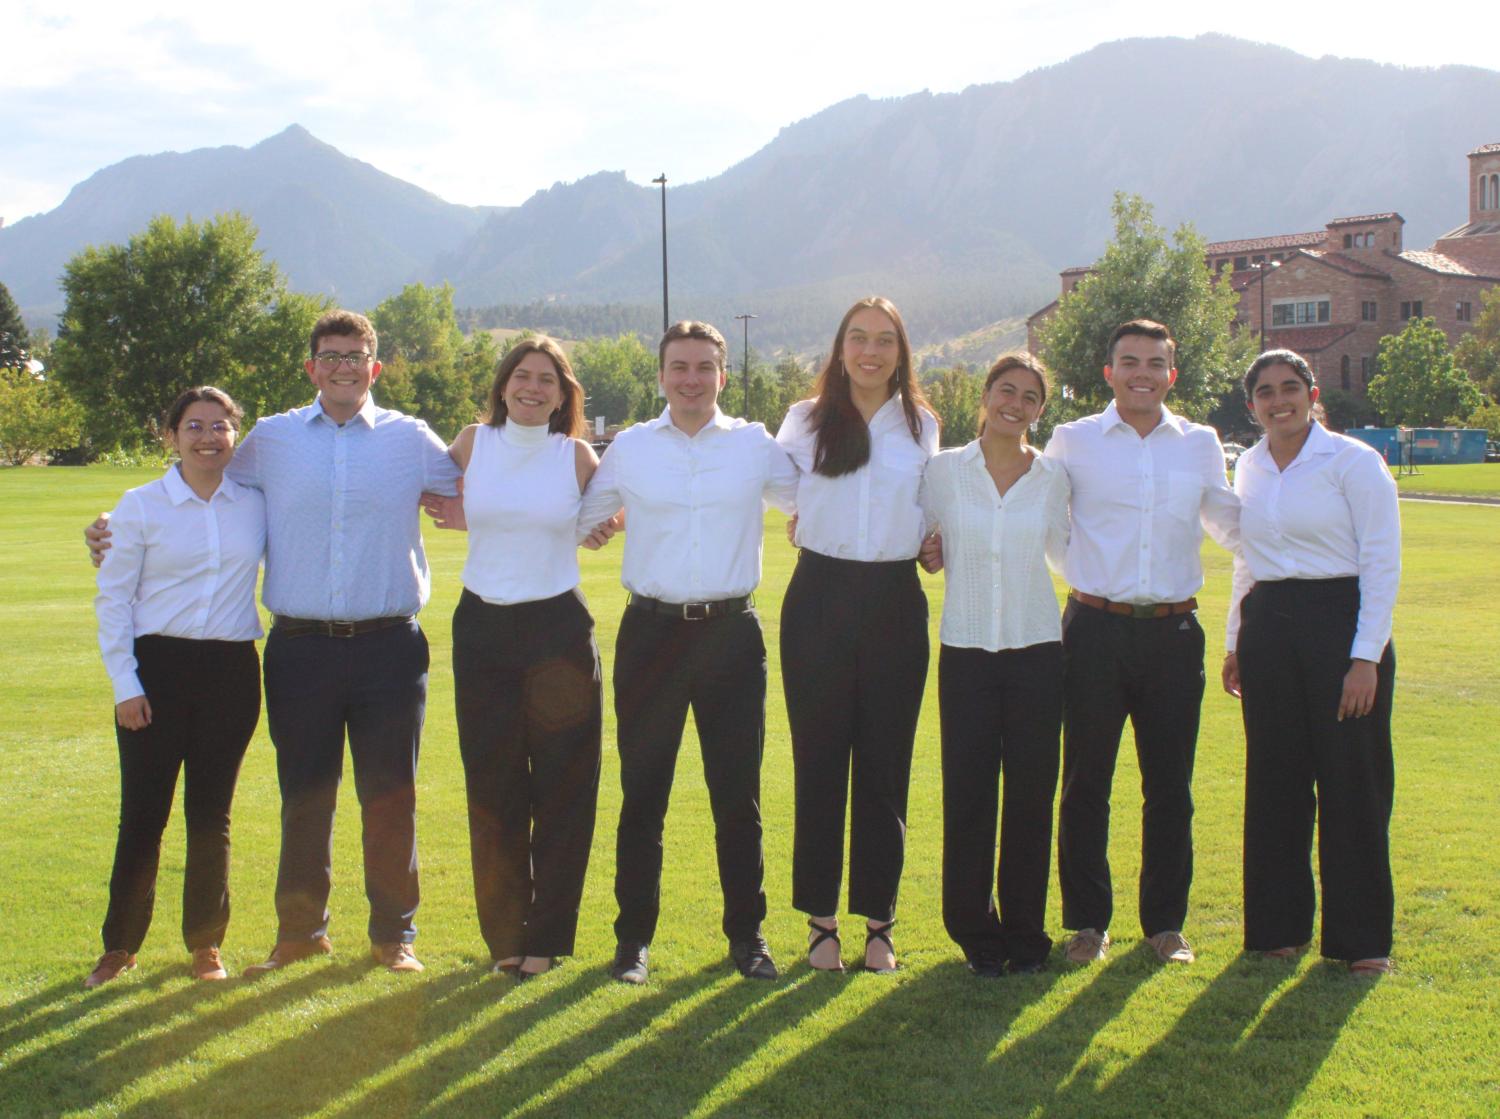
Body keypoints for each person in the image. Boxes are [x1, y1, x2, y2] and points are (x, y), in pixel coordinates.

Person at [88, 310, 462, 976]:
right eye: (331, 356)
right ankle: (300, 933)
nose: (343, 367)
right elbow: (200, 482)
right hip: (301, 648)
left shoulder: (411, 439)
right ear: (311, 367)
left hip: (389, 647)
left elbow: (476, 484)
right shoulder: (271, 439)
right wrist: (111, 528)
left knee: (390, 796)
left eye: (356, 356)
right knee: (305, 797)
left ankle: (393, 935)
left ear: (374, 367)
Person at [576, 320, 799, 986]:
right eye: (679, 366)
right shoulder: (631, 448)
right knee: (643, 795)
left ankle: (748, 937)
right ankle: (632, 942)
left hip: (732, 637)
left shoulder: (755, 445)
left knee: (738, 797)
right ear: (662, 376)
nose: (691, 379)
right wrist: (593, 526)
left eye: (704, 367)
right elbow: (581, 518)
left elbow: (816, 501)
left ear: (722, 376)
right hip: (652, 636)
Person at [1044, 319, 1238, 965]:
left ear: (1171, 374)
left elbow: (1230, 524)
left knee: (1170, 788)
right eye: (1129, 361)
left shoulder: (1200, 444)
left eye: (1155, 363)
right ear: (1109, 372)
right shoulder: (1073, 440)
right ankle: (1087, 923)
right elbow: (1044, 519)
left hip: (1174, 636)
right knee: (1085, 784)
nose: (1142, 374)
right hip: (1093, 631)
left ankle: (1165, 925)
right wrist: (1081, 573)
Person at [1221, 349, 1399, 977]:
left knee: (1353, 782)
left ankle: (1361, 941)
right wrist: (1235, 641)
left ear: (1312, 393)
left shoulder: (1354, 461)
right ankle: (1278, 930)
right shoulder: (1249, 465)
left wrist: (1365, 658)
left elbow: (1381, 562)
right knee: (1276, 782)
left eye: (1290, 387)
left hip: (1341, 626)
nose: (1279, 400)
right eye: (1265, 392)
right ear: (1252, 405)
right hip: (1269, 628)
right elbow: (1247, 559)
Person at [774, 296, 939, 972]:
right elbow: (781, 491)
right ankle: (821, 924)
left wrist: (930, 541)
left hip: (895, 601)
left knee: (885, 767)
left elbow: (929, 507)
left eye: (885, 340)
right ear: (840, 349)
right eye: (859, 338)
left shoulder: (922, 425)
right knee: (818, 763)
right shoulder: (805, 420)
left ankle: (880, 922)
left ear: (901, 353)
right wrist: (813, 519)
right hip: (819, 598)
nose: (871, 351)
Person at [87, 386, 265, 988]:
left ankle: (206, 946)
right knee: (143, 815)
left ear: (235, 435)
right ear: (171, 436)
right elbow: (114, 599)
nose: (208, 437)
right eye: (194, 426)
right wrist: (125, 684)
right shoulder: (139, 506)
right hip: (155, 670)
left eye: (220, 426)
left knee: (211, 815)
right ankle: (119, 947)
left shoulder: (255, 504)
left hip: (231, 673)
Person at [441, 337, 603, 981]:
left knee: (564, 788)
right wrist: (453, 511)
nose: (532, 389)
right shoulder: (471, 443)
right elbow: (423, 489)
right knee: (494, 788)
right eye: (522, 377)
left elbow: (611, 514)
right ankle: (506, 936)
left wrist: (601, 525)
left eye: (546, 381)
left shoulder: (577, 456)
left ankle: (548, 938)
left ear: (563, 396)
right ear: (504, 385)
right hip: (482, 629)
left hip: (557, 632)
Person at [919, 354, 1070, 977]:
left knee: (1032, 799)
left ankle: (1027, 934)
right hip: (967, 652)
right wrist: (928, 549)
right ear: (985, 396)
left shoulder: (1054, 477)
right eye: (1007, 390)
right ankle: (976, 935)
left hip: (1038, 651)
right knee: (970, 797)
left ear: (1040, 410)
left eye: (1031, 396)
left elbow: (1070, 552)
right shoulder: (943, 471)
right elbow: (917, 536)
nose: (1017, 403)